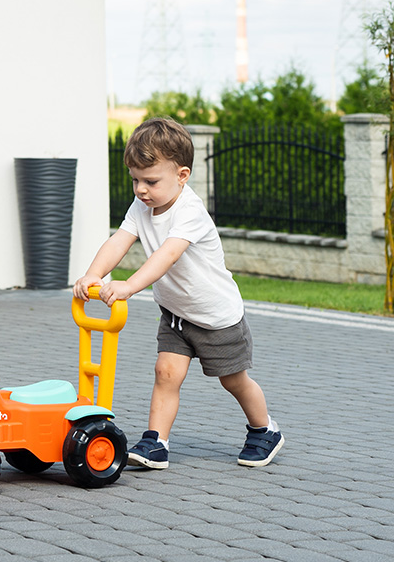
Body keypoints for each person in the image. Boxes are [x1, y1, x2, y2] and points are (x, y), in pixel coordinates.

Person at [73, 117, 283, 469]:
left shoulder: (190, 212)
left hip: (215, 316)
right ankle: (157, 441)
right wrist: (94, 274)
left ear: (182, 176)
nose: (141, 189)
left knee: (233, 380)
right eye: (135, 180)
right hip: (176, 314)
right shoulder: (141, 207)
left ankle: (265, 430)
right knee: (165, 372)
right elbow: (119, 241)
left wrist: (128, 286)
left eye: (151, 181)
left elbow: (166, 255)